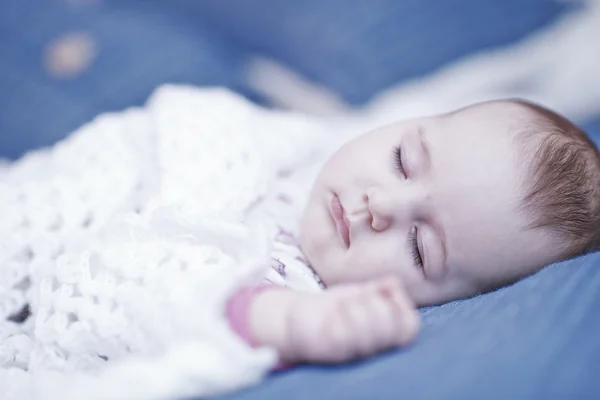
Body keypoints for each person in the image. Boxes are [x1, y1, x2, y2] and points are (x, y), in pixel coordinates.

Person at [227, 99, 600, 365]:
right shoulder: (290, 144)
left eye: (418, 247)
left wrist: (295, 325)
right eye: (402, 161)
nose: (381, 204)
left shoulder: (302, 296)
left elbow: (200, 312)